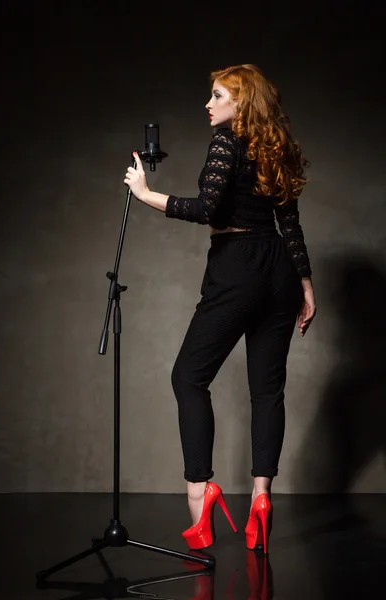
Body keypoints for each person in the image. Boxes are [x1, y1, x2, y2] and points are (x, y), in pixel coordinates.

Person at [124, 64, 316, 555]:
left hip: (237, 265)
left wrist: (146, 195)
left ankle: (200, 491)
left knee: (188, 377)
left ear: (240, 103)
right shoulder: (277, 147)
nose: (208, 105)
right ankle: (260, 498)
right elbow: (288, 223)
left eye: (217, 96)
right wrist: (305, 285)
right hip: (278, 270)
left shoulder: (228, 141)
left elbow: (208, 209)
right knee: (267, 390)